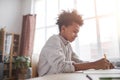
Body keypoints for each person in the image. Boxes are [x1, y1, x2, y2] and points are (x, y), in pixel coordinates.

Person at [38, 10, 114, 76]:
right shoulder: (54, 40)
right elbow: (61, 67)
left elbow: (79, 62)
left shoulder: (67, 45)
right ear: (63, 29)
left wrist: (99, 65)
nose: (76, 35)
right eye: (74, 32)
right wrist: (94, 65)